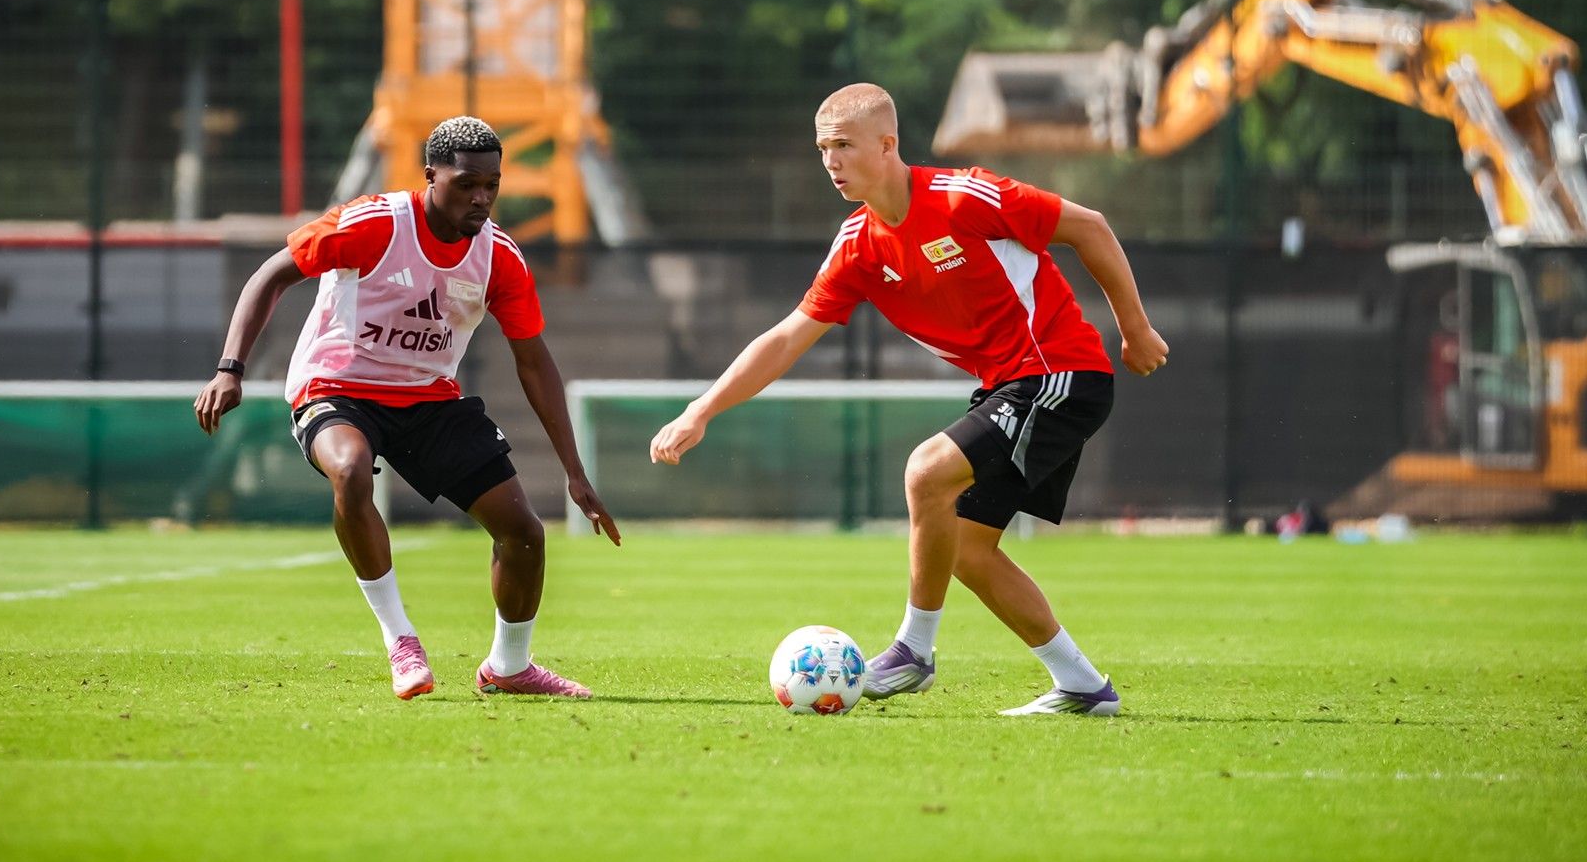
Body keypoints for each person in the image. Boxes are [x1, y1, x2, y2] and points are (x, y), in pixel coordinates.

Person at [649, 84, 1167, 716]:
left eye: (843, 145)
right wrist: (699, 410)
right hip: (1010, 385)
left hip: (1059, 372)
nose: (830, 162)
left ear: (888, 145)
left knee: (926, 471)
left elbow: (1089, 226)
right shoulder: (858, 246)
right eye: (822, 149)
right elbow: (787, 337)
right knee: (969, 552)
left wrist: (1134, 329)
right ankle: (1084, 687)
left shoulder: (963, 196)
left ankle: (914, 652)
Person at [194, 116, 620, 701]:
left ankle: (509, 667)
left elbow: (534, 361)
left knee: (523, 532)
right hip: (336, 385)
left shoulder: (499, 255)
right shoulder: (372, 223)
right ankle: (401, 641)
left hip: (428, 398)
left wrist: (574, 471)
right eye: (468, 183)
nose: (482, 197)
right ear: (430, 176)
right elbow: (270, 275)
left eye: (493, 184)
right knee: (349, 470)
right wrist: (229, 369)